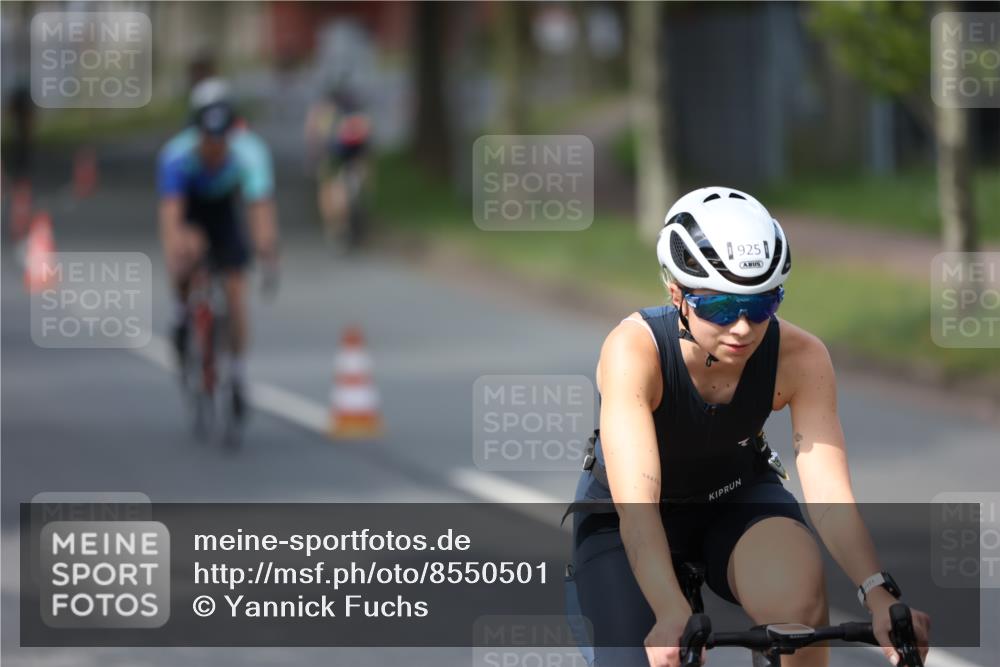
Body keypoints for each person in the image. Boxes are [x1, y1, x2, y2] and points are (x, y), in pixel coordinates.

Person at [565, 187, 930, 667]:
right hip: (627, 517)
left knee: (798, 611)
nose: (741, 327)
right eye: (719, 307)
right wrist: (671, 611)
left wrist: (878, 593)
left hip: (735, 500)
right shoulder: (633, 351)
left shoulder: (800, 357)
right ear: (676, 293)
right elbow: (639, 508)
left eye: (760, 306)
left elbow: (829, 498)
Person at [157, 80, 278, 420]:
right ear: (195, 133)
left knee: (236, 291)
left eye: (221, 140)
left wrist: (267, 251)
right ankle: (181, 316)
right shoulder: (176, 156)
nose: (214, 148)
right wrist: (176, 254)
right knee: (187, 250)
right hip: (191, 208)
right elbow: (171, 216)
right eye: (207, 140)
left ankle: (237, 374)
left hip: (224, 211)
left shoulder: (250, 152)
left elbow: (260, 208)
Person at [303, 84, 371, 244]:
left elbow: (311, 134)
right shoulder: (355, 111)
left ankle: (334, 228)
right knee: (348, 188)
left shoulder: (321, 110)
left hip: (331, 157)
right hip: (353, 156)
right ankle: (349, 220)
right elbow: (367, 141)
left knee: (328, 190)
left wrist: (312, 157)